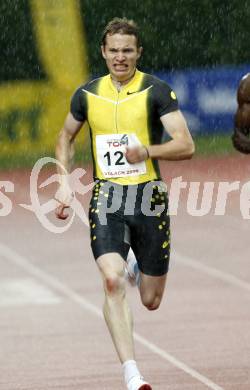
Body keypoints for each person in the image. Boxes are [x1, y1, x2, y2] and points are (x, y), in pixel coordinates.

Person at [55, 17, 195, 390]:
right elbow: (65, 137)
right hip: (107, 197)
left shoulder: (156, 90)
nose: (120, 58)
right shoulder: (87, 95)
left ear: (138, 53)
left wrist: (147, 151)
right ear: (103, 52)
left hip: (149, 198)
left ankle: (136, 265)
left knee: (150, 299)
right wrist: (65, 183)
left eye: (127, 51)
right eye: (113, 50)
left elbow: (186, 144)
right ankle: (132, 374)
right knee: (112, 281)